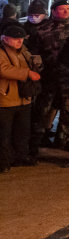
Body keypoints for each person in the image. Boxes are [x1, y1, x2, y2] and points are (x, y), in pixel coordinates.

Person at [34, 0, 69, 151]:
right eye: (62, 9)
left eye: (67, 9)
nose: (66, 11)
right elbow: (36, 53)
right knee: (44, 109)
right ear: (54, 11)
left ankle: (65, 139)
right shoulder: (42, 30)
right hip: (49, 76)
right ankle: (39, 138)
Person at [0, 26, 41, 172]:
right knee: (4, 133)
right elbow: (3, 69)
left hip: (24, 99)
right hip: (6, 99)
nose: (19, 41)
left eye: (22, 39)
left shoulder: (23, 50)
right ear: (5, 39)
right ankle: (3, 161)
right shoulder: (1, 51)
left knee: (22, 130)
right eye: (16, 39)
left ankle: (20, 156)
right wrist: (27, 73)